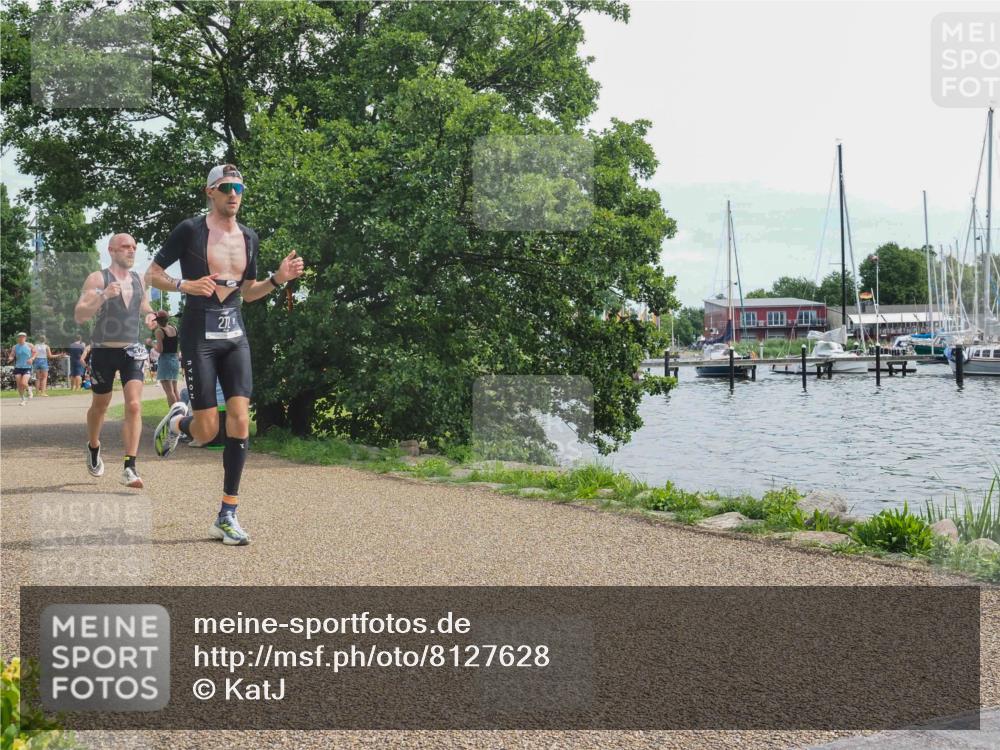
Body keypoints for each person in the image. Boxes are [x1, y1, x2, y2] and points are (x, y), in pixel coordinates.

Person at [147, 164, 304, 546]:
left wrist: (278, 279)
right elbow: (151, 274)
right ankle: (178, 423)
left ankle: (227, 514)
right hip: (199, 334)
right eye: (226, 187)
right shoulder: (190, 230)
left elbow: (248, 293)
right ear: (210, 192)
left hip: (235, 336)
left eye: (239, 188)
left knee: (239, 419)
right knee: (207, 432)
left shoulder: (249, 238)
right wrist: (183, 284)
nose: (234, 193)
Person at [74, 233, 157, 488]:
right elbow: (80, 315)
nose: (131, 250)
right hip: (103, 351)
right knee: (100, 405)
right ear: (111, 250)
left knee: (134, 405)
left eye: (134, 247)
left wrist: (151, 315)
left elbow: (144, 305)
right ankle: (93, 445)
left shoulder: (139, 279)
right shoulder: (98, 279)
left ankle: (129, 467)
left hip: (132, 350)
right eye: (125, 247)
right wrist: (103, 296)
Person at [152, 310, 181, 405]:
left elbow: (160, 350)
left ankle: (174, 412)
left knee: (169, 392)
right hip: (175, 360)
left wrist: (151, 343)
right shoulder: (174, 328)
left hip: (165, 361)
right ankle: (181, 411)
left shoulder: (159, 331)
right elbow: (177, 345)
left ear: (158, 321)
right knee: (175, 390)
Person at [7, 332, 34, 405]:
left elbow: (35, 353)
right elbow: (12, 355)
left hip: (27, 367)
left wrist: (32, 358)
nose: (21, 338)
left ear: (25, 338)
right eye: (20, 337)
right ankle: (23, 399)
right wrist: (10, 358)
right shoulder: (15, 347)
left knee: (23, 383)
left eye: (23, 337)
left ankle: (29, 390)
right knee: (19, 385)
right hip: (18, 367)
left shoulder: (30, 345)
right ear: (18, 338)